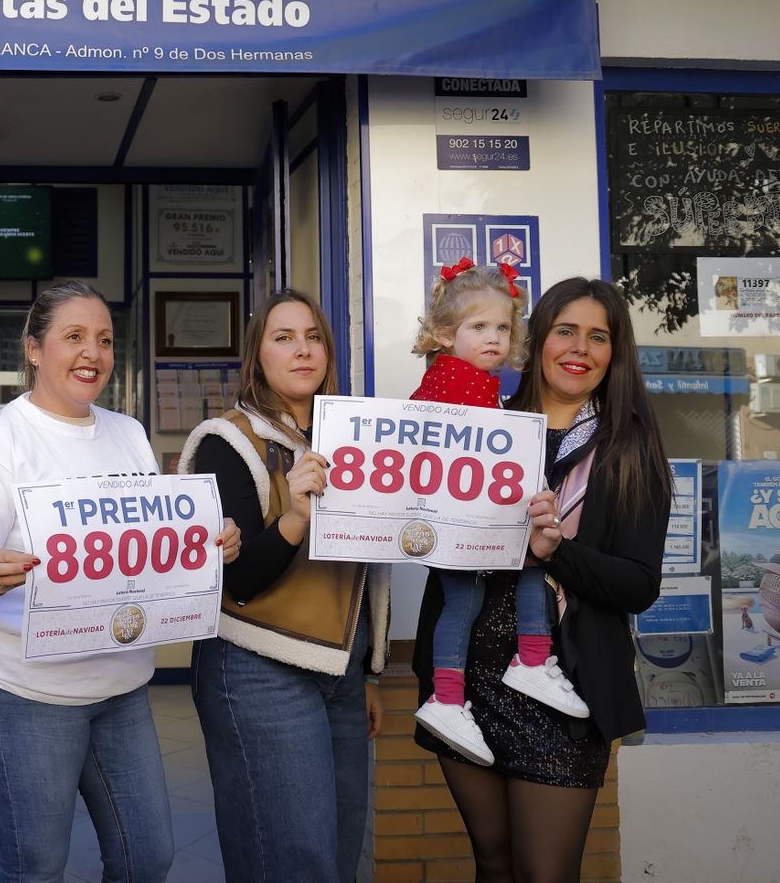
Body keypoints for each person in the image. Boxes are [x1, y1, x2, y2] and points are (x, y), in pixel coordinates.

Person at [0, 281, 239, 883]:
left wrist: (207, 539)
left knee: (146, 857)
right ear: (33, 349)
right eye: (73, 336)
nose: (92, 354)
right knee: (37, 867)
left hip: (121, 685)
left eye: (104, 339)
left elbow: (147, 544)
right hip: (25, 693)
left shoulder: (129, 433)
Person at [413, 277, 670, 882]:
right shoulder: (479, 422)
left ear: (615, 353)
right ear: (537, 340)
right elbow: (423, 527)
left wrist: (556, 553)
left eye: (598, 337)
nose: (580, 348)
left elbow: (638, 585)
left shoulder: (628, 449)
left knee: (544, 875)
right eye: (565, 331)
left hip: (561, 688)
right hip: (464, 685)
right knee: (493, 865)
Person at [179, 288, 390, 883]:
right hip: (258, 667)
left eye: (313, 337)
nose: (303, 350)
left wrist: (367, 670)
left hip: (340, 670)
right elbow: (238, 579)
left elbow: (367, 566)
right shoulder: (226, 440)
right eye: (284, 337)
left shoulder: (353, 439)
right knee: (293, 862)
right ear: (258, 355)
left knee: (338, 856)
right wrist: (295, 519)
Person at [408, 258, 588, 768]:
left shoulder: (473, 382)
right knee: (491, 587)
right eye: (478, 326)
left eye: (503, 328)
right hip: (458, 523)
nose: (494, 337)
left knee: (503, 582)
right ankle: (495, 676)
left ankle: (485, 681)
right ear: (446, 334)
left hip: (468, 519)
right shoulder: (455, 381)